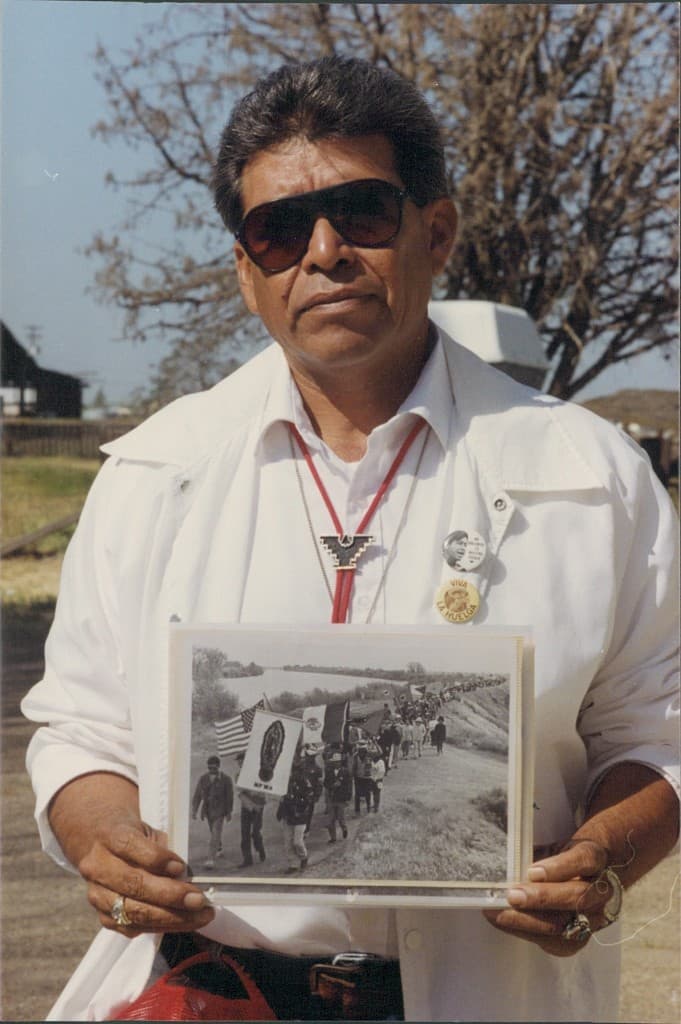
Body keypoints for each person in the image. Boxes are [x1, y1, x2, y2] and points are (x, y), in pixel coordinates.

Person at [21, 55, 678, 1023]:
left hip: (487, 992)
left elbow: (656, 730)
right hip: (210, 991)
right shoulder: (155, 472)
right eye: (278, 231)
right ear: (247, 272)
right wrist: (102, 832)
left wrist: (606, 858)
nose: (322, 251)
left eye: (362, 213)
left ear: (436, 230)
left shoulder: (591, 474)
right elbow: (80, 725)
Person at [190, 756, 233, 869]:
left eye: (214, 768)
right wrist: (194, 810)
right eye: (209, 768)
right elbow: (197, 795)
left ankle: (210, 859)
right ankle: (219, 848)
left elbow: (230, 797)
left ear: (218, 767)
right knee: (213, 832)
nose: (212, 770)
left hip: (220, 811)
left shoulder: (226, 779)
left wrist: (229, 812)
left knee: (215, 833)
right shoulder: (203, 779)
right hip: (208, 811)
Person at [276, 753, 314, 874]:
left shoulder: (305, 783)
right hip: (288, 815)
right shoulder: (284, 783)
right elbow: (281, 800)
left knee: (297, 842)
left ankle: (303, 857)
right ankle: (293, 864)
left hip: (300, 815)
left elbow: (308, 800)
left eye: (296, 771)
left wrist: (295, 804)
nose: (294, 773)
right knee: (287, 843)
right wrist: (280, 811)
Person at [234, 752, 266, 868]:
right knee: (245, 834)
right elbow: (240, 793)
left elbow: (262, 790)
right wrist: (250, 804)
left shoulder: (256, 773)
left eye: (242, 760)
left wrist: (258, 804)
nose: (239, 763)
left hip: (258, 806)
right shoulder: (238, 775)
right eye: (238, 761)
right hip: (246, 807)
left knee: (255, 832)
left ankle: (260, 848)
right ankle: (247, 859)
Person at [324, 752, 352, 842]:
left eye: (338, 762)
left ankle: (344, 829)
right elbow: (325, 783)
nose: (336, 763)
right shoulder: (329, 771)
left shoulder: (345, 771)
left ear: (340, 762)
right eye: (335, 762)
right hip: (332, 798)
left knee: (340, 817)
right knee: (330, 820)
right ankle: (333, 838)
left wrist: (348, 797)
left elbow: (349, 785)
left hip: (341, 798)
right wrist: (332, 785)